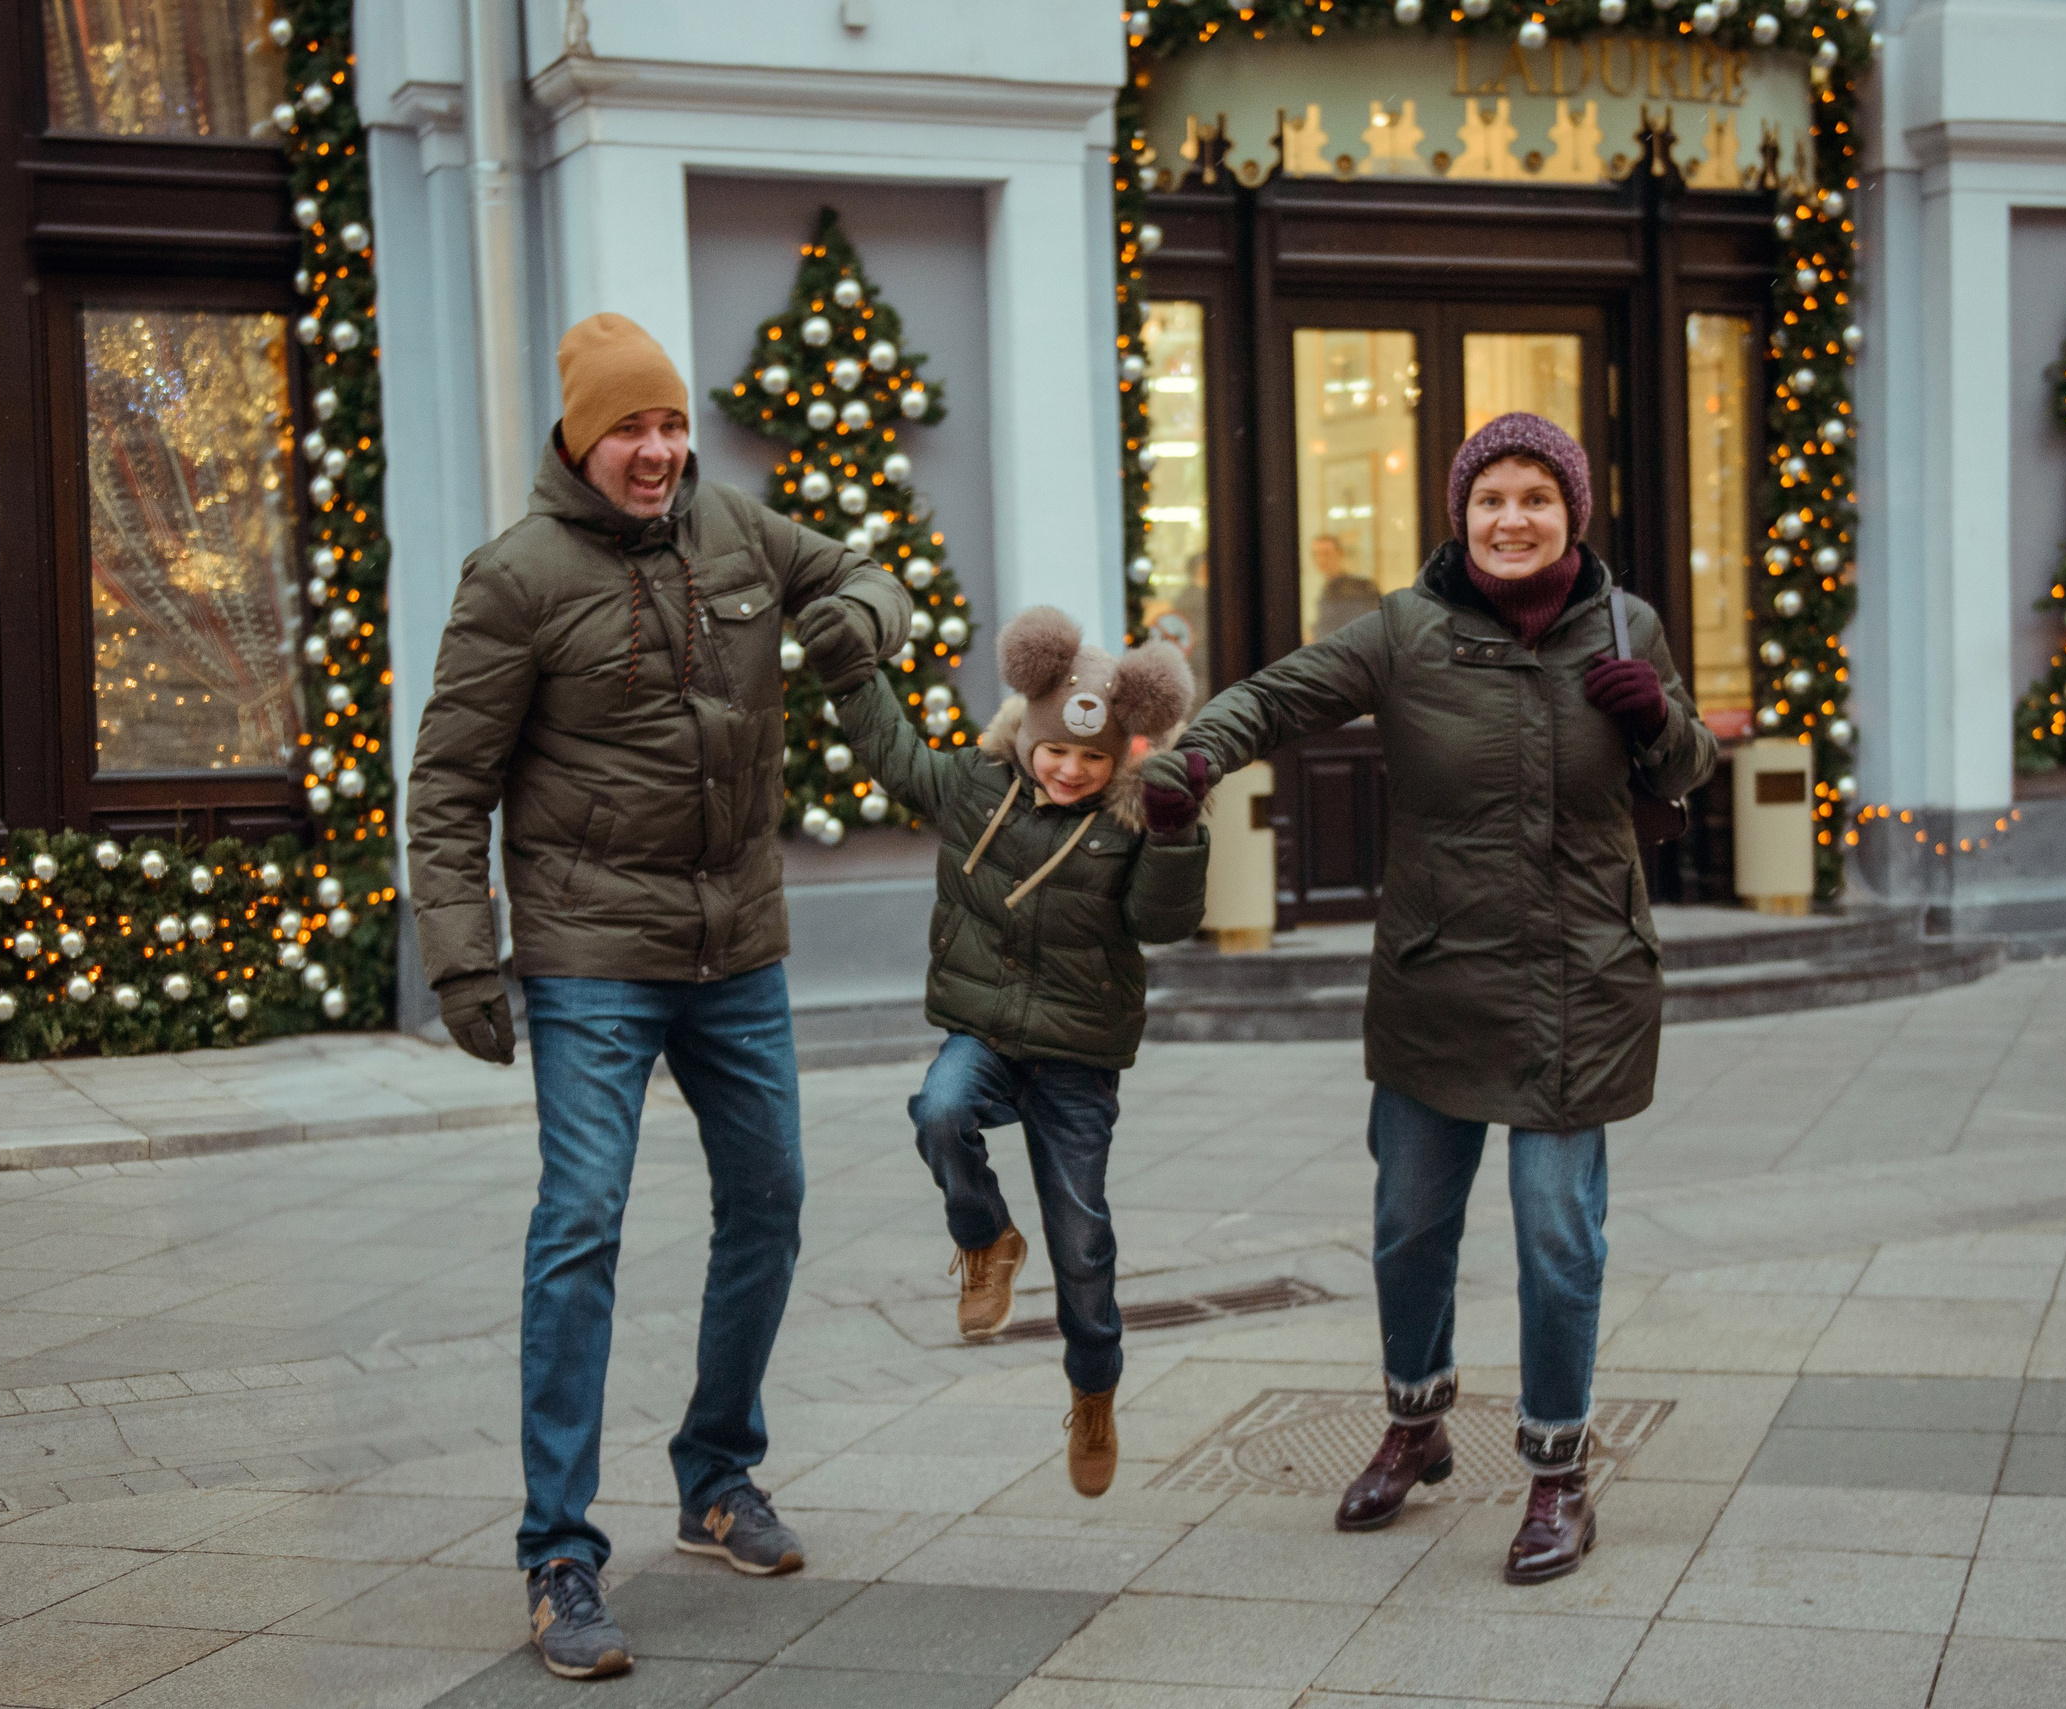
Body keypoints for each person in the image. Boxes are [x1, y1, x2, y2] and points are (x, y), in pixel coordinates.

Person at [407, 312, 911, 1679]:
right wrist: (463, 951)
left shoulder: (738, 531)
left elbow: (871, 573)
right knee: (580, 1223)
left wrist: (857, 623)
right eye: (632, 426)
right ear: (583, 437)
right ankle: (558, 1552)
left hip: (737, 949)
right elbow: (450, 784)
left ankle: (716, 1475)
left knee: (773, 1199)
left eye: (673, 424)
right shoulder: (514, 578)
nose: (659, 449)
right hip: (590, 960)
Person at [1144, 411, 1716, 1584]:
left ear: (1571, 513)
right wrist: (1195, 757)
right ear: (1460, 515)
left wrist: (1654, 715)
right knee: (1410, 1223)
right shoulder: (1405, 631)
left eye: (1535, 498)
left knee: (1560, 1232)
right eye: (1490, 498)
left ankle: (1557, 1470)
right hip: (1435, 976)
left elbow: (1687, 766)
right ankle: (1415, 1419)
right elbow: (1279, 695)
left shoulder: (1627, 625)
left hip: (1579, 979)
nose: (1512, 519)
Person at [824, 606, 1206, 1497]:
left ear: (1118, 759)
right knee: (941, 1108)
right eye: (1056, 750)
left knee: (1082, 1242)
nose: (1070, 769)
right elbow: (894, 752)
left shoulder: (1130, 827)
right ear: (1028, 735)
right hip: (986, 1031)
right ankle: (985, 1239)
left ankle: (1095, 1388)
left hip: (1077, 1056)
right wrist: (850, 669)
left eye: (1092, 758)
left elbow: (1163, 921)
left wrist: (1179, 833)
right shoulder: (973, 787)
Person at [1310, 532, 1383, 638]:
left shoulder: (1361, 588)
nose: (1321, 560)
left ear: (1339, 554)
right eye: (1316, 554)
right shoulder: (1325, 590)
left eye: (1326, 553)